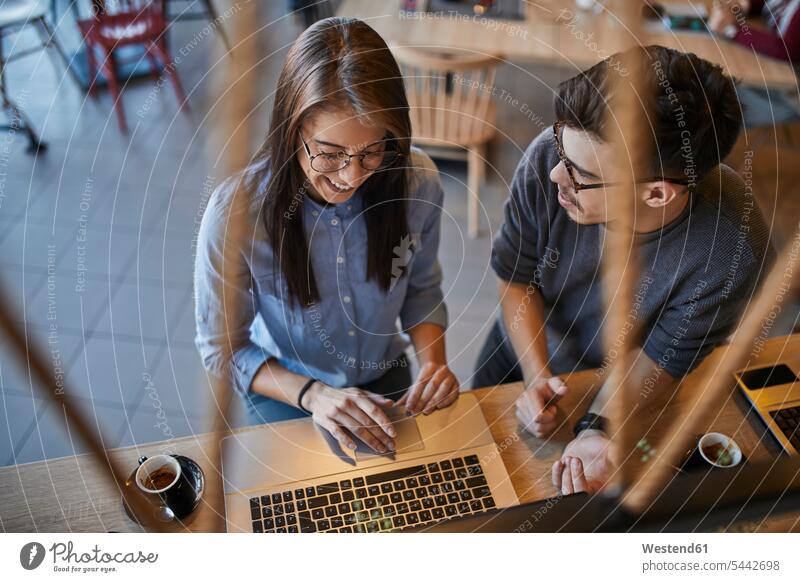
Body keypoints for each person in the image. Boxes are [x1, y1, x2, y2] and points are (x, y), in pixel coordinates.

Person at [472, 45, 775, 494]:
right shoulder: (547, 159)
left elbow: (662, 355)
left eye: (577, 173)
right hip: (520, 347)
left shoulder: (730, 245)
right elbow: (516, 278)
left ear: (656, 194)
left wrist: (598, 427)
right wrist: (536, 373)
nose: (555, 174)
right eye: (559, 143)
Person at [194, 17, 459, 455]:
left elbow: (422, 289)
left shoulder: (417, 184)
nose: (352, 176)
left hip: (384, 370)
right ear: (291, 129)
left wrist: (433, 362)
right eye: (330, 154)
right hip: (286, 385)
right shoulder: (236, 216)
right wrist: (315, 396)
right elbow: (223, 349)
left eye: (373, 151)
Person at [708, 0, 800, 127]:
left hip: (791, 93)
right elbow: (771, 4)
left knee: (715, 99)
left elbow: (788, 49)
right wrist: (743, 6)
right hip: (778, 70)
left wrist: (731, 30)